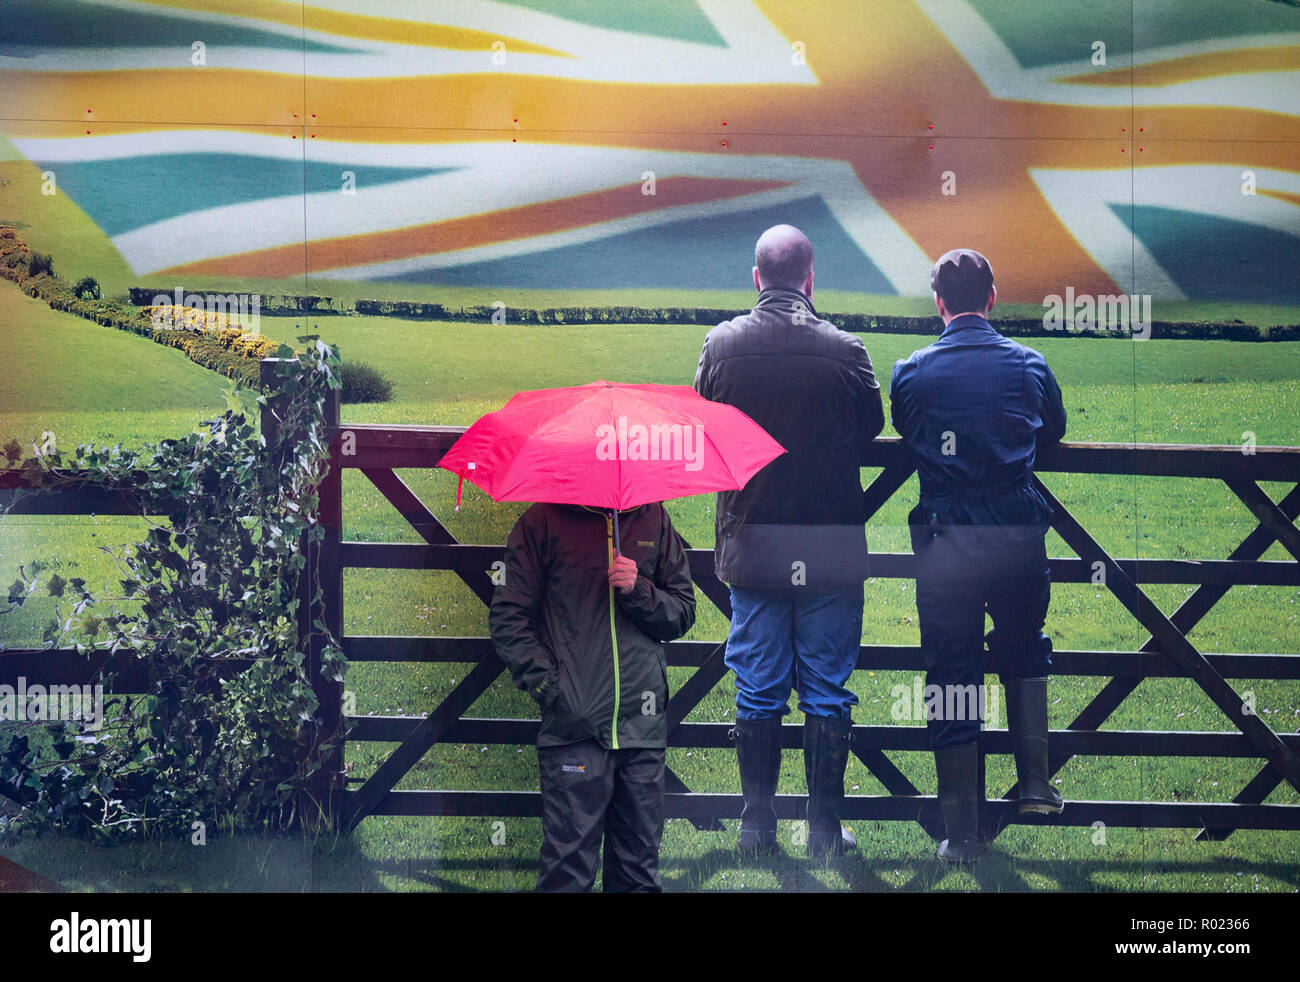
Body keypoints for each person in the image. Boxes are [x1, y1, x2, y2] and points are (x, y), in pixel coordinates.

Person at [694, 224, 885, 857]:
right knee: (828, 687)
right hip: (828, 544)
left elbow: (706, 426)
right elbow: (869, 430)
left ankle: (757, 825)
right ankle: (825, 830)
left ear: (757, 278)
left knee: (758, 685)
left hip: (755, 544)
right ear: (810, 280)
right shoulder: (847, 351)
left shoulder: (720, 347)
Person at [890, 248, 1067, 863]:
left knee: (950, 671)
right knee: (1023, 646)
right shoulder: (1029, 365)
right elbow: (1054, 431)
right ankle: (1037, 781)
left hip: (946, 542)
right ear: (993, 298)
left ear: (937, 301)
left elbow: (910, 432)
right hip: (1018, 535)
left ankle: (961, 831)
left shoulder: (911, 371)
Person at [489, 501, 696, 891]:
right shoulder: (541, 521)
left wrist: (639, 589)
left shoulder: (652, 517)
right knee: (568, 874)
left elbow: (683, 611)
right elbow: (508, 618)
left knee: (638, 877)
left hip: (642, 732)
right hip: (574, 733)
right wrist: (553, 688)